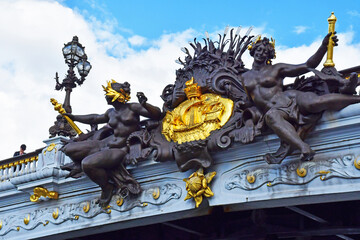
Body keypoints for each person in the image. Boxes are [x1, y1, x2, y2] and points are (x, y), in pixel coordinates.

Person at [239, 32, 360, 163]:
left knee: (316, 103)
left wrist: (323, 46)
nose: (261, 53)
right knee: (271, 116)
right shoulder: (244, 78)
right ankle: (304, 148)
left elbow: (308, 65)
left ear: (269, 55)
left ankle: (357, 99)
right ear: (253, 51)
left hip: (290, 98)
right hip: (275, 110)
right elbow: (249, 103)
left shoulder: (277, 68)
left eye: (265, 52)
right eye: (259, 49)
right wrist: (249, 121)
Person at [62, 80, 162, 208]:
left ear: (115, 95)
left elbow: (157, 114)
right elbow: (94, 118)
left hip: (120, 148)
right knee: (68, 149)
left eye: (107, 94)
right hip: (104, 145)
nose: (105, 97)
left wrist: (145, 104)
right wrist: (74, 117)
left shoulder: (133, 107)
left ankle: (106, 187)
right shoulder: (111, 112)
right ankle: (91, 164)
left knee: (87, 164)